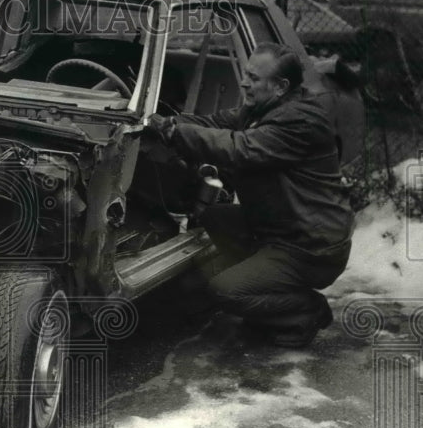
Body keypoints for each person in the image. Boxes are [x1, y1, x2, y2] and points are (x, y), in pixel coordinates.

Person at [146, 42, 354, 347]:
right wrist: (167, 122)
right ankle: (264, 284)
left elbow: (240, 148)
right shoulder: (263, 107)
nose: (244, 82)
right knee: (214, 216)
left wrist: (174, 134)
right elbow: (215, 123)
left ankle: (305, 309)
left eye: (254, 78)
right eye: (246, 74)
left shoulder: (301, 120)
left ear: (281, 86)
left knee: (224, 291)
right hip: (284, 225)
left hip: (312, 246)